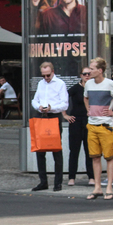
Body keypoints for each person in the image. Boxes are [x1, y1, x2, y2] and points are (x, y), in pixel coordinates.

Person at [84, 57, 113, 200]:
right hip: (92, 124)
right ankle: (97, 187)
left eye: (92, 69)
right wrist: (88, 109)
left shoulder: (110, 84)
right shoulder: (88, 84)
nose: (89, 71)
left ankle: (109, 187)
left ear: (100, 70)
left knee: (110, 156)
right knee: (95, 157)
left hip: (106, 126)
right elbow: (85, 97)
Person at [31, 61, 68, 192]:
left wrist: (52, 108)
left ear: (53, 72)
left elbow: (65, 104)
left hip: (54, 116)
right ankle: (43, 181)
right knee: (40, 151)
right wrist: (38, 106)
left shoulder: (60, 84)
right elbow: (34, 100)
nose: (46, 78)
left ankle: (58, 182)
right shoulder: (41, 84)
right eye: (44, 75)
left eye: (48, 75)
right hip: (42, 116)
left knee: (56, 150)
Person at [62, 67, 94, 186]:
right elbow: (63, 99)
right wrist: (65, 115)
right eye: (85, 74)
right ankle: (71, 177)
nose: (87, 76)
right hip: (76, 120)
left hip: (89, 120)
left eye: (89, 74)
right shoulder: (76, 88)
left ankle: (91, 177)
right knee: (74, 150)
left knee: (89, 150)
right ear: (81, 75)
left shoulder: (94, 88)